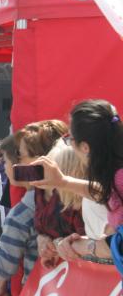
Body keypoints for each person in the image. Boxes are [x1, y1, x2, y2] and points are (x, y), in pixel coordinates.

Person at [33, 100, 123, 267]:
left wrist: (87, 246)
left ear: (85, 147)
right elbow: (103, 192)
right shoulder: (114, 176)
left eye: (70, 138)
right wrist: (63, 181)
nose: (69, 143)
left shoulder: (118, 177)